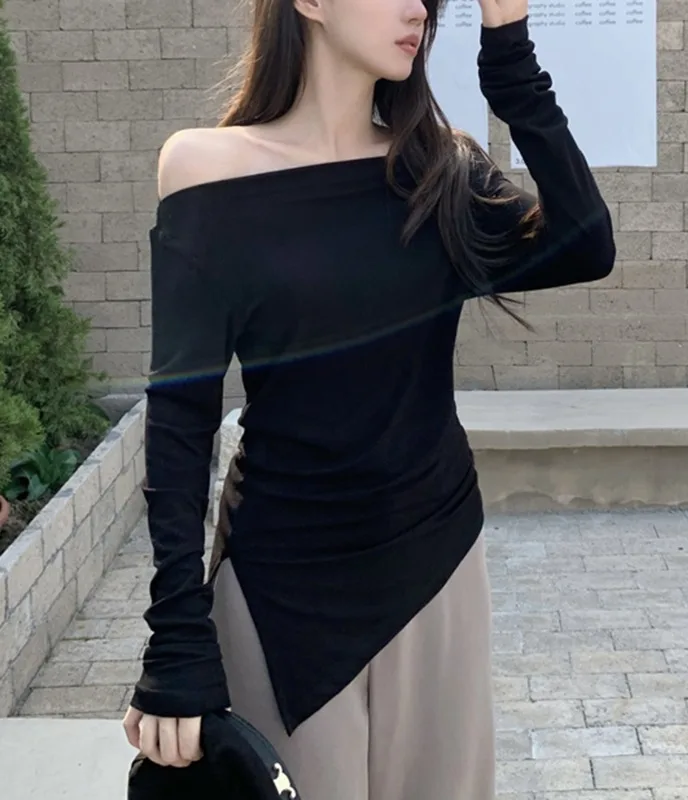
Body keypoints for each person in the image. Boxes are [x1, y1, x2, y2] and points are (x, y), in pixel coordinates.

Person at [122, 0, 616, 798]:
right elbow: (181, 417)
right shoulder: (207, 169)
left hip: (436, 566)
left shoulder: (441, 172)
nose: (418, 8)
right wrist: (175, 637)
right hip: (281, 587)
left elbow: (585, 243)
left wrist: (510, 54)